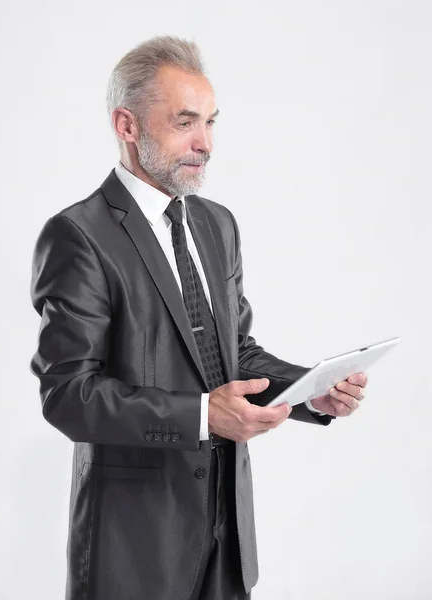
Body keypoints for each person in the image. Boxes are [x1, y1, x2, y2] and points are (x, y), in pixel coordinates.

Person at [29, 35, 368, 600]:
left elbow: (236, 353)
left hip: (226, 539)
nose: (205, 143)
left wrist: (309, 391)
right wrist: (200, 417)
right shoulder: (79, 236)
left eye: (211, 122)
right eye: (185, 122)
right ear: (127, 125)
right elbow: (68, 395)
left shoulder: (217, 224)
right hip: (133, 548)